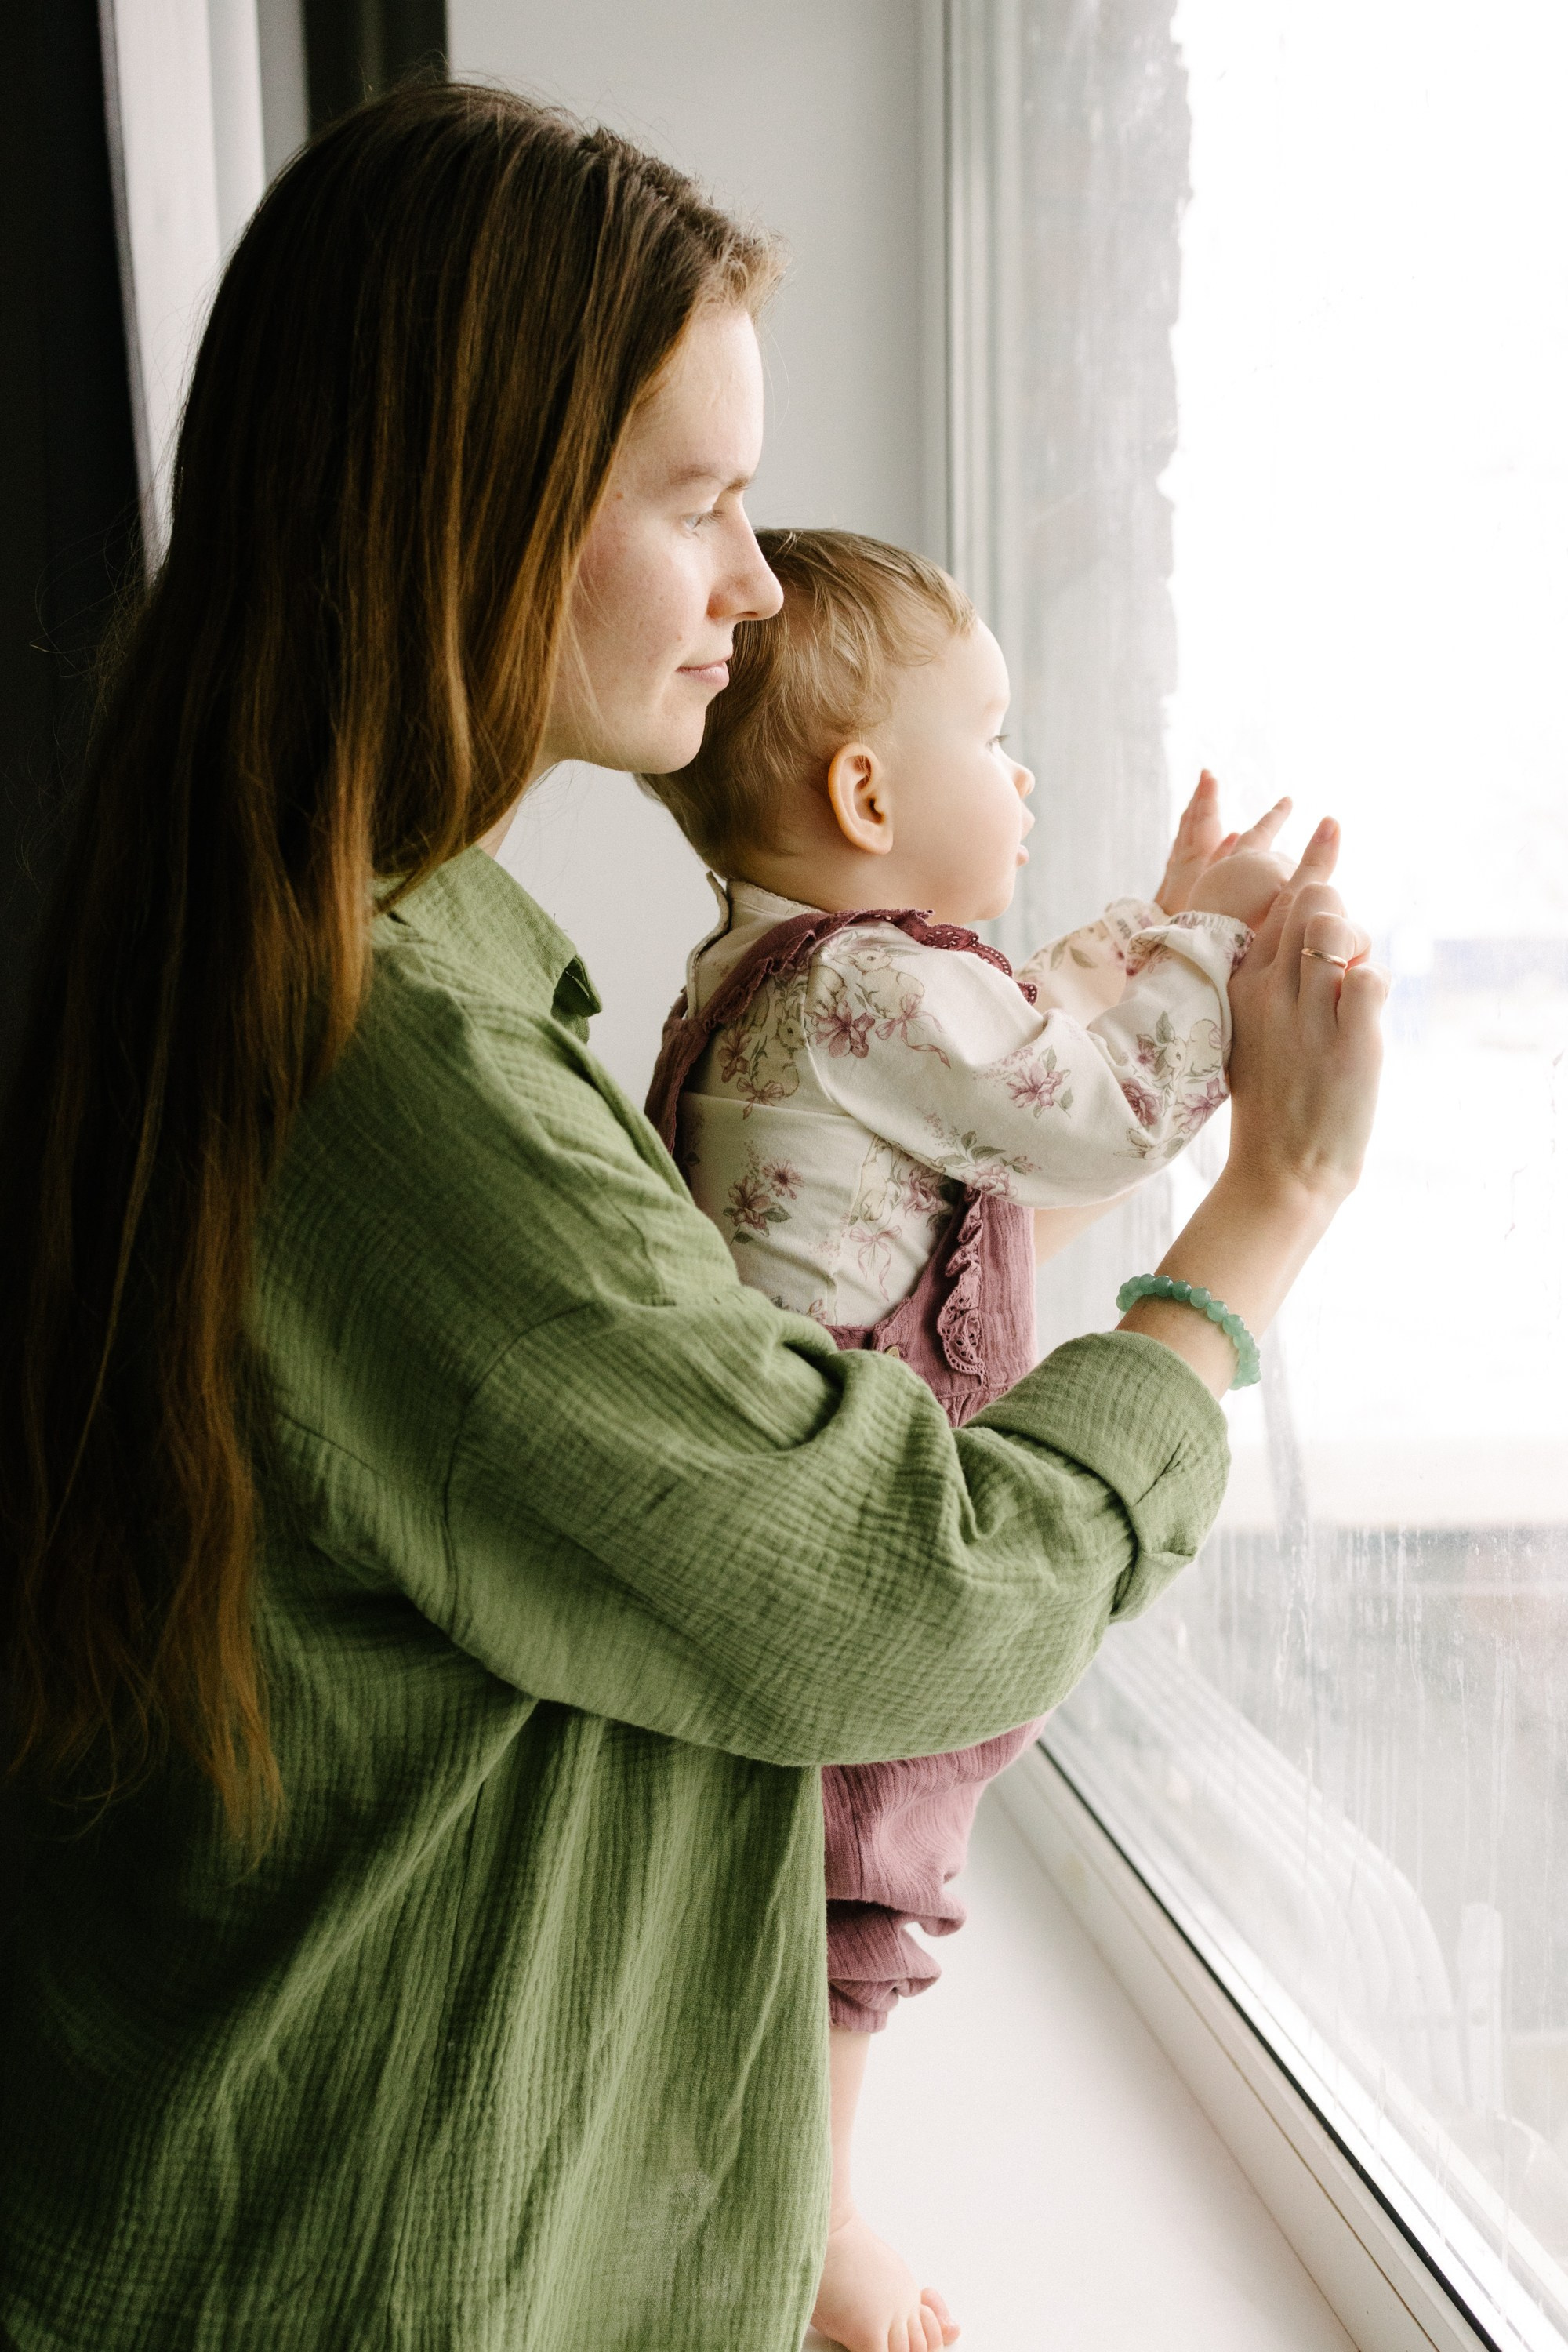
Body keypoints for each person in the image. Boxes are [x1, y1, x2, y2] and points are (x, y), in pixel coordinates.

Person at [0, 82, 1384, 2352]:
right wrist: (1267, 1217)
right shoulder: (397, 1078)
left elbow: (678, 1452)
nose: (754, 580)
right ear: (477, 505)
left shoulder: (321, 948)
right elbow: (906, 1608)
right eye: (699, 501)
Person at [641, 527, 1309, 2350]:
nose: (1020, 779)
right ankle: (811, 2222)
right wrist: (1223, 945)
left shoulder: (778, 972)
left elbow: (1020, 1051)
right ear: (867, 794)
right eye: (992, 738)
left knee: (802, 1874)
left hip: (771, 1480)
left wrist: (1154, 930)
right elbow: (1099, 1110)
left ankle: (768, 2182)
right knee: (860, 1868)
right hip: (847, 1512)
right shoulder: (867, 987)